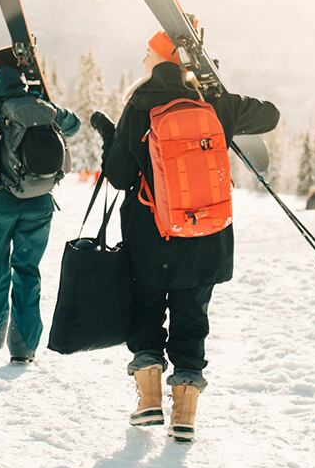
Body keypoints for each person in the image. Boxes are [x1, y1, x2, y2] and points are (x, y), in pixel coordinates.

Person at [94, 31, 279, 441]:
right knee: (191, 319)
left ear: (160, 58)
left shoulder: (141, 103)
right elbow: (270, 115)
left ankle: (147, 404)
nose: (143, 58)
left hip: (150, 234)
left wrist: (109, 136)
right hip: (204, 236)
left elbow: (121, 175)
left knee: (146, 312)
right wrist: (219, 93)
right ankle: (184, 417)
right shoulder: (212, 103)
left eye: (147, 52)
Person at [0, 47, 81, 363]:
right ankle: (24, 348)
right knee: (27, 270)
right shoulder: (39, 104)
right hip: (39, 203)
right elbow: (74, 125)